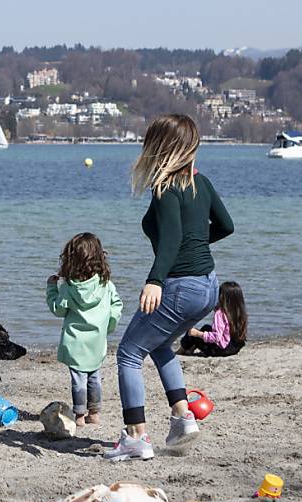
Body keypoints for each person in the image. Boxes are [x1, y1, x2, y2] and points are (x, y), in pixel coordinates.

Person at [105, 114, 234, 462]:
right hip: (208, 287)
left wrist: (155, 279)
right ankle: (182, 417)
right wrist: (195, 246)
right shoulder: (200, 183)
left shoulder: (165, 189)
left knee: (129, 354)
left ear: (159, 148)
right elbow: (226, 225)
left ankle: (136, 437)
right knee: (159, 344)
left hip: (179, 286)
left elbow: (173, 239)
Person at [46, 233, 123, 427]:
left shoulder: (69, 288)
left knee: (78, 379)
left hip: (75, 341)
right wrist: (108, 325)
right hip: (97, 339)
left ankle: (79, 415)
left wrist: (51, 288)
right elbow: (117, 306)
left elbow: (58, 309)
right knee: (94, 376)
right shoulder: (106, 285)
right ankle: (94, 412)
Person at [177, 281, 247, 357]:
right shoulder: (239, 312)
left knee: (192, 333)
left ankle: (181, 350)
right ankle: (191, 348)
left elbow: (216, 337)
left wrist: (198, 333)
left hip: (221, 350)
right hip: (234, 348)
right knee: (206, 327)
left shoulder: (220, 313)